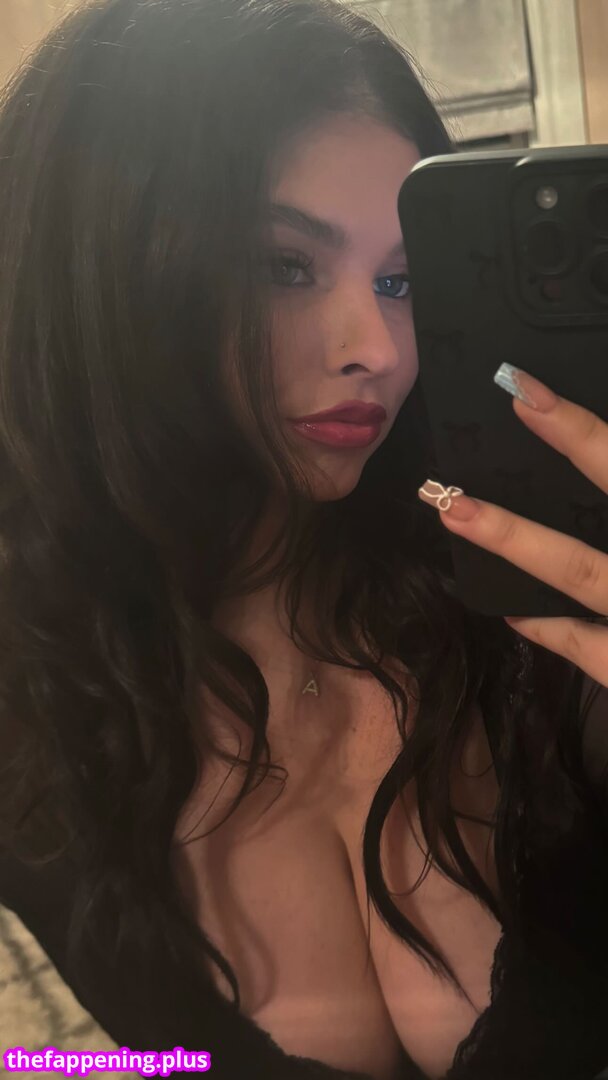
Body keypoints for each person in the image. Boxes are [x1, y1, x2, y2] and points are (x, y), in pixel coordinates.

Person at [0, 0, 607, 1078]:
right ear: (99, 280)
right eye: (283, 266)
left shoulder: (523, 604)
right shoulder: (32, 721)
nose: (378, 349)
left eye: (402, 280)